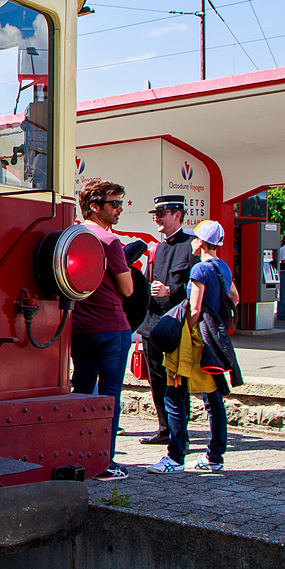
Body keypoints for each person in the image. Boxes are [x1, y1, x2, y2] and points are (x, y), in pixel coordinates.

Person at [149, 220, 242, 474]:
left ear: (200, 242)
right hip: (212, 340)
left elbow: (195, 308)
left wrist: (182, 329)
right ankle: (214, 457)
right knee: (213, 399)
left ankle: (175, 457)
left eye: (195, 237)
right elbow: (234, 296)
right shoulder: (222, 267)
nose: (191, 241)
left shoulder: (200, 269)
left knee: (175, 396)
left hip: (194, 340)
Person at [71, 178, 135, 480]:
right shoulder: (110, 242)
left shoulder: (69, 236)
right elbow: (127, 289)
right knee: (110, 396)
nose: (119, 209)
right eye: (114, 204)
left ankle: (77, 456)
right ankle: (104, 463)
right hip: (111, 326)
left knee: (81, 392)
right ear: (95, 206)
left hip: (80, 327)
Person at [135, 195, 196, 447]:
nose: (157, 219)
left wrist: (171, 290)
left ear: (177, 215)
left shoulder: (191, 246)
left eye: (162, 214)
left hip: (175, 323)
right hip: (152, 323)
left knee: (177, 378)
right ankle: (163, 428)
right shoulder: (157, 248)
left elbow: (196, 287)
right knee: (156, 379)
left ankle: (180, 428)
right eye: (155, 215)